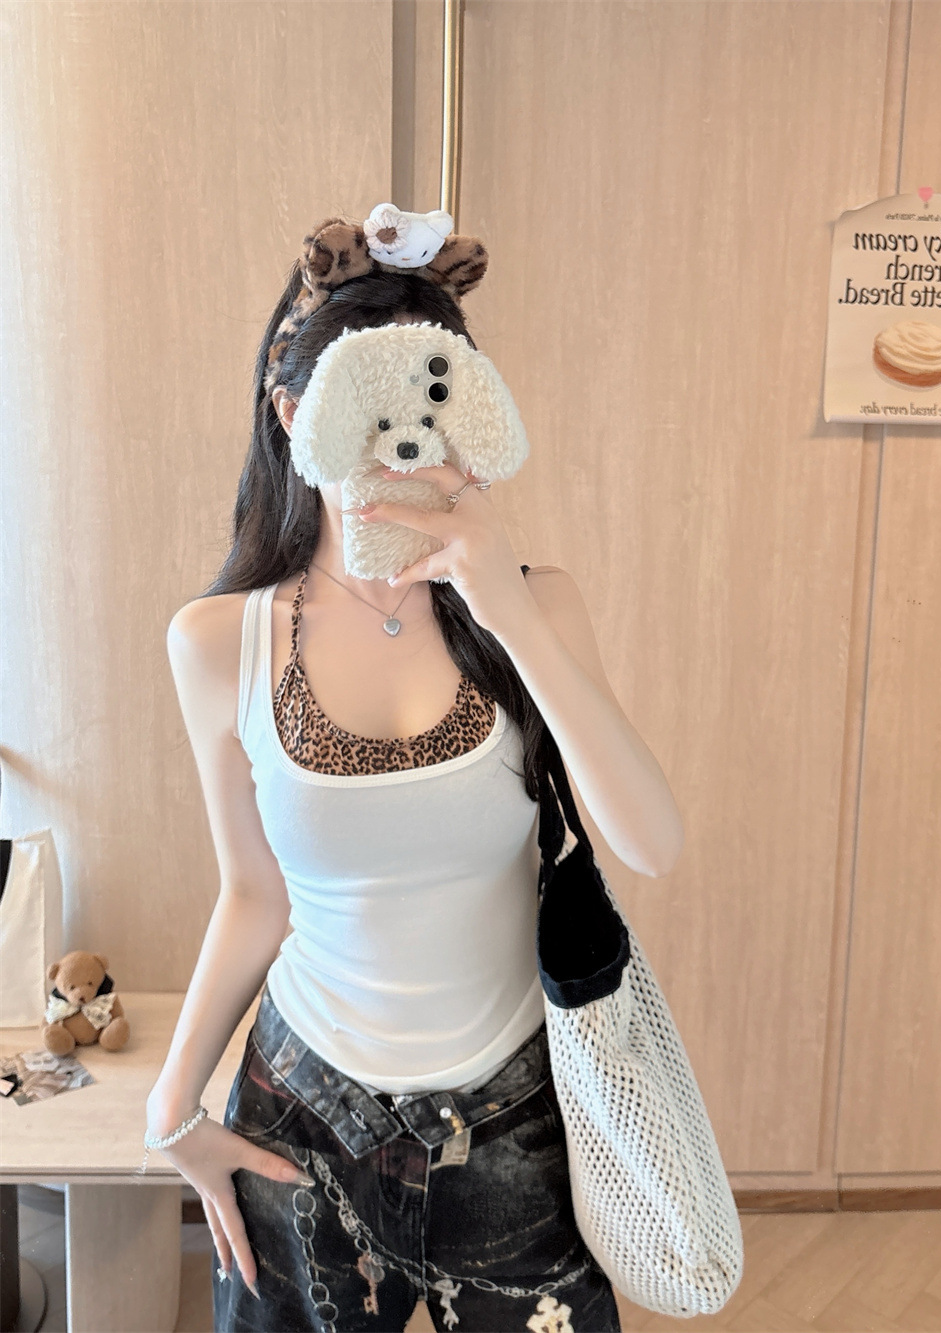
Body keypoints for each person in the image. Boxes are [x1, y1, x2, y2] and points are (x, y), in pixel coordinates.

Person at [145, 211, 684, 1332]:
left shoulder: (537, 605)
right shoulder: (218, 641)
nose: (405, 441)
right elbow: (252, 893)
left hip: (516, 1121)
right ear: (292, 413)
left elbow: (652, 840)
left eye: (435, 397)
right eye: (367, 399)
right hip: (302, 1117)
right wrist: (172, 1105)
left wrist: (504, 603)